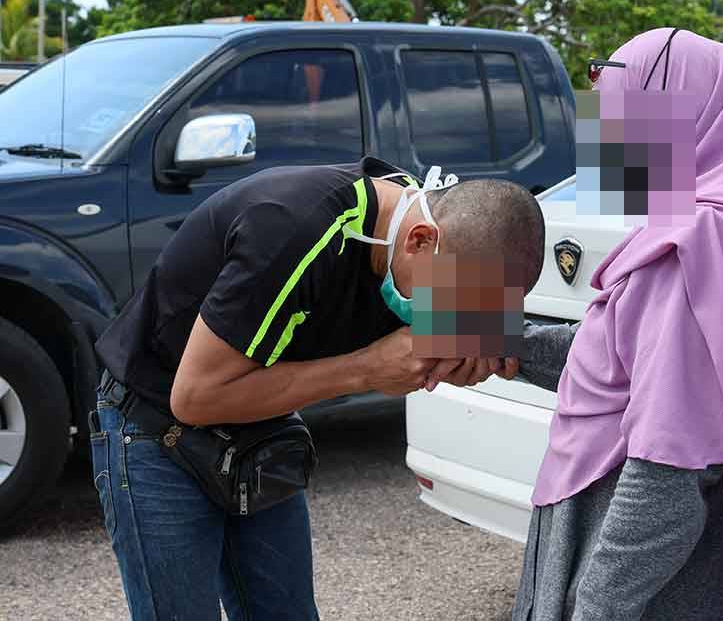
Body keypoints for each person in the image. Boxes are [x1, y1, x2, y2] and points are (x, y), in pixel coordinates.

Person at [90, 155, 543, 620]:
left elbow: (480, 328)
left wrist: (477, 353)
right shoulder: (293, 230)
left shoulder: (429, 234)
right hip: (158, 429)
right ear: (420, 240)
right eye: (450, 305)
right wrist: (366, 370)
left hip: (255, 425)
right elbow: (194, 398)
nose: (446, 321)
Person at [512, 29, 723, 621]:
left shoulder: (690, 254)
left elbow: (666, 480)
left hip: (663, 591)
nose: (600, 146)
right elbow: (625, 361)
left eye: (618, 117)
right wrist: (496, 341)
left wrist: (596, 608)